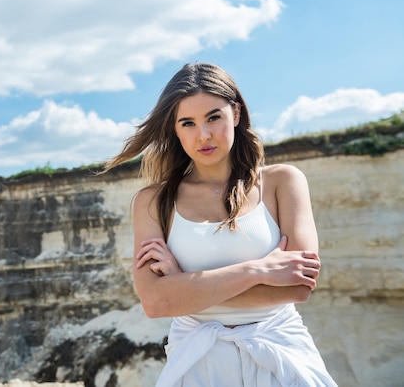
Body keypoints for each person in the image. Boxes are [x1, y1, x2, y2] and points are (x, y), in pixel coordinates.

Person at [103, 62, 337, 386]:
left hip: (282, 358)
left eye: (214, 117)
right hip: (197, 365)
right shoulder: (152, 202)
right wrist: (259, 271)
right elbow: (156, 302)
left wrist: (184, 285)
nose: (204, 135)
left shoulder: (283, 182)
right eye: (188, 123)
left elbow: (298, 286)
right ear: (175, 129)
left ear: (236, 113)